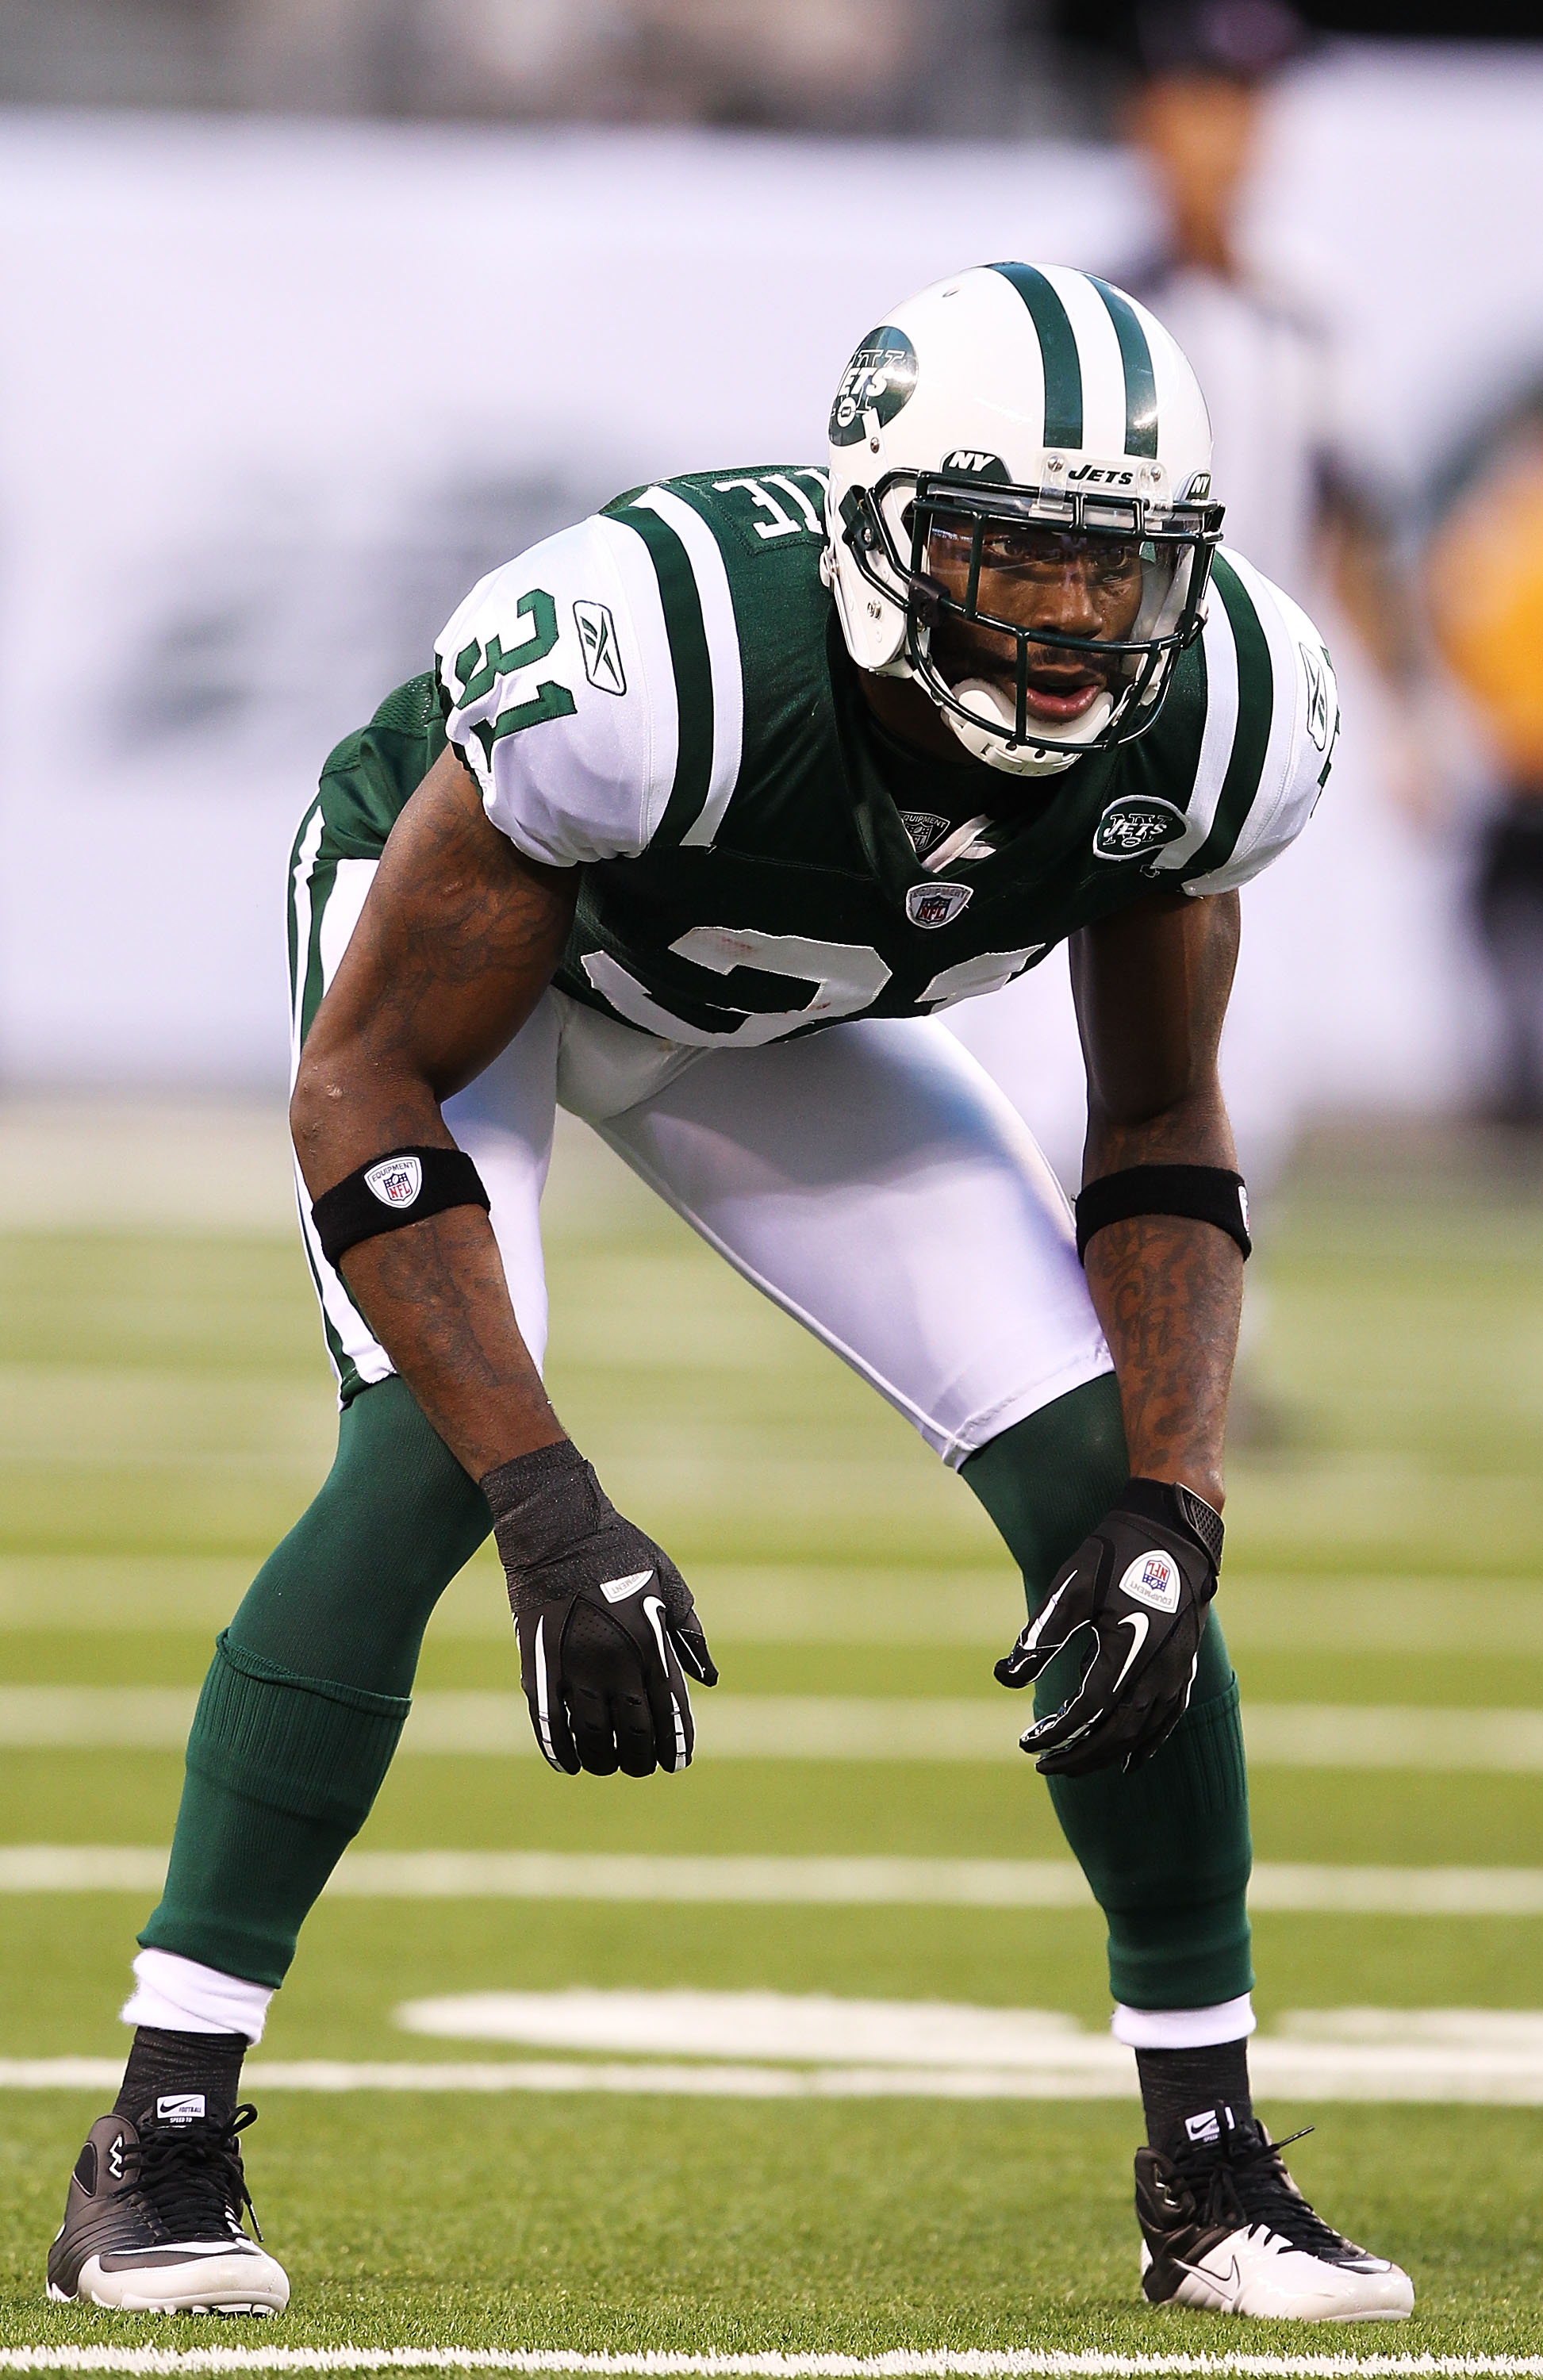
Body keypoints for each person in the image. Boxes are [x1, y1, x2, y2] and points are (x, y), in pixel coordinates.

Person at [47, 261, 1411, 2324]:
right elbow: (368, 1076)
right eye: (1013, 560)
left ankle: (1210, 2170)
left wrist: (1180, 1503)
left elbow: (1159, 1124)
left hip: (779, 1018)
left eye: (1112, 574)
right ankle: (154, 2139)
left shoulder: (1219, 717)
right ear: (879, 531)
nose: (1065, 627)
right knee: (426, 1452)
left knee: (1097, 1503)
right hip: (477, 975)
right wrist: (548, 1508)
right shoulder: (648, 655)